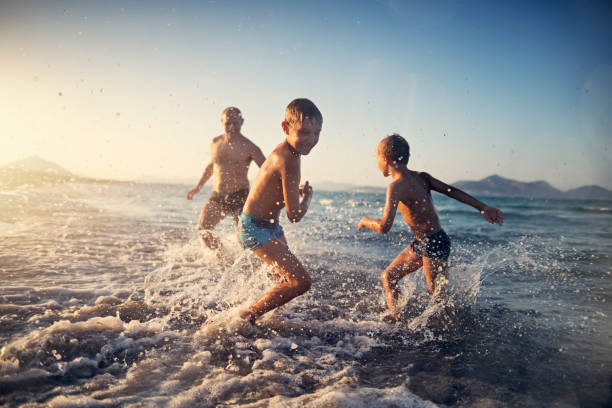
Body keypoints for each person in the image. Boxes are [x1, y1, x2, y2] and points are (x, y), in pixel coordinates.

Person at [358, 134, 503, 320]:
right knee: (389, 277)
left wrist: (364, 221)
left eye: (376, 158)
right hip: (427, 241)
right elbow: (452, 191)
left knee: (438, 299)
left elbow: (384, 226)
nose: (376, 162)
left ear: (385, 159)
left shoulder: (395, 187)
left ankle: (455, 332)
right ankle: (395, 319)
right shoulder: (422, 177)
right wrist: (482, 207)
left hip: (432, 242)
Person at [237, 98, 322, 322]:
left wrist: (294, 194)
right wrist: (307, 199)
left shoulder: (288, 154)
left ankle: (263, 322)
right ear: (286, 128)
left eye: (316, 134)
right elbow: (294, 216)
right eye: (304, 132)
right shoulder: (289, 159)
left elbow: (277, 196)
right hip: (254, 227)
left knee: (284, 281)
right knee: (301, 282)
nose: (311, 140)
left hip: (269, 226)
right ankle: (245, 318)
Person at [186, 107, 266, 256]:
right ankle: (224, 258)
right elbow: (212, 166)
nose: (232, 127)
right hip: (218, 195)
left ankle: (251, 268)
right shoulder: (215, 142)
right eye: (228, 123)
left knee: (243, 240)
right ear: (222, 121)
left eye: (236, 123)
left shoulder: (249, 147)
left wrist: (269, 194)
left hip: (241, 196)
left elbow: (268, 170)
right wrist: (197, 187)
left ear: (242, 122)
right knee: (203, 229)